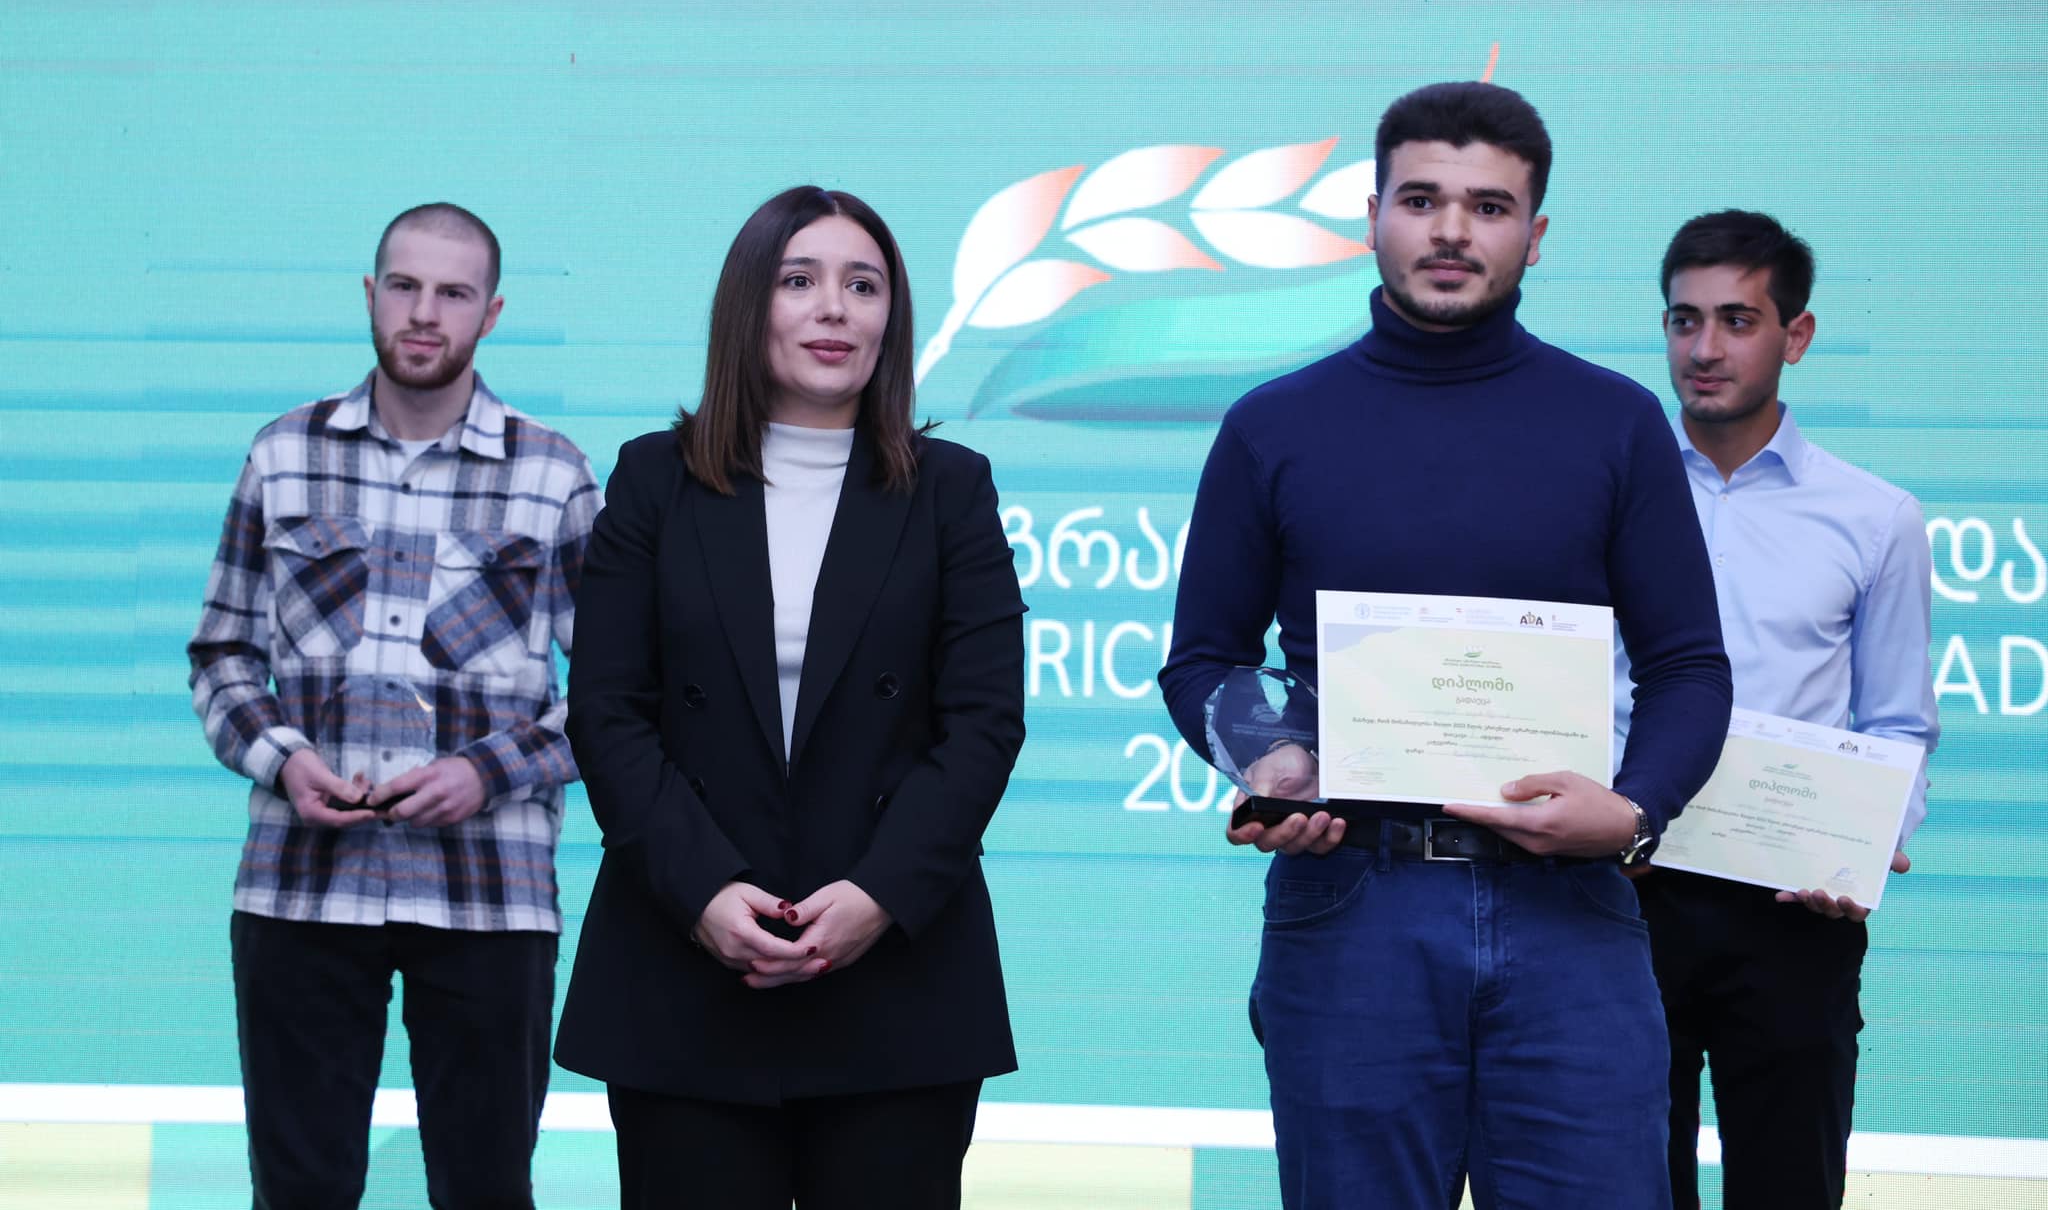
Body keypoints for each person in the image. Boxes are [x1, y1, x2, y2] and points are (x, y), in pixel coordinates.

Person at [1158, 82, 1733, 1210]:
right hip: (1350, 906)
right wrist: (1272, 758)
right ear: (1371, 213)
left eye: (1489, 206)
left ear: (1536, 234)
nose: (1453, 231)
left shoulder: (1615, 422)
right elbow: (1203, 659)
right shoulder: (1272, 425)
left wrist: (1635, 811)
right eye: (1421, 200)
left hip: (1570, 916)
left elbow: (1688, 668)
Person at [553, 186, 1026, 1210]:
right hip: (686, 971)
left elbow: (984, 724)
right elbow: (607, 710)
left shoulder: (950, 488)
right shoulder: (653, 479)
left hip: (896, 980)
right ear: (747, 305)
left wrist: (876, 896)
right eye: (799, 280)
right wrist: (703, 892)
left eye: (864, 285)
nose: (834, 308)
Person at [187, 203, 600, 1209]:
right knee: (300, 1190)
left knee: (485, 1188)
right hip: (300, 889)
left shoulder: (552, 474)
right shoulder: (283, 454)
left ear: (490, 314)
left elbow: (614, 696)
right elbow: (221, 653)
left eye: (453, 293)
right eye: (405, 287)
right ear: (371, 296)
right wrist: (284, 758)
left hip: (489, 893)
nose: (425, 312)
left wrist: (485, 773)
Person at [1618, 210, 1938, 1209]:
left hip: (1793, 908)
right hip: (1618, 894)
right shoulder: (1606, 494)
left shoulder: (1874, 516)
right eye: (1683, 320)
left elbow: (1896, 720)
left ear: (1794, 335)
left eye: (1736, 320)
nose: (1704, 349)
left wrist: (1866, 843)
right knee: (1622, 1187)